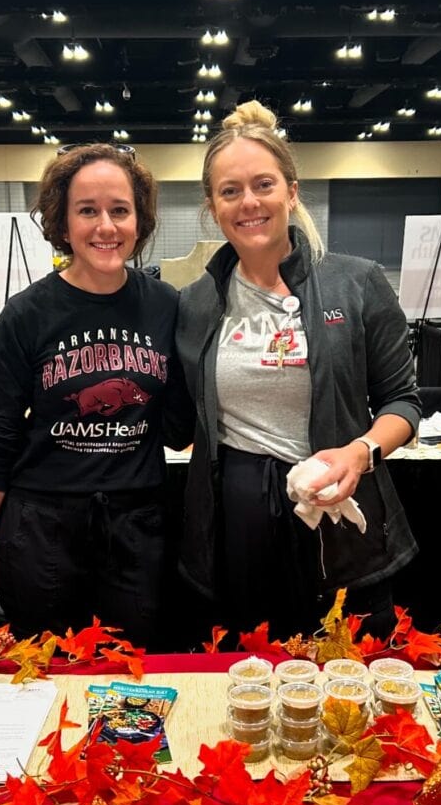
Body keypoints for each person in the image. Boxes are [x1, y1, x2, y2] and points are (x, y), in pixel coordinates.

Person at [175, 101, 421, 640]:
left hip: (340, 503)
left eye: (263, 184)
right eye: (230, 190)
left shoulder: (356, 283)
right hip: (235, 517)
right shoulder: (194, 303)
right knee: (250, 667)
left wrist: (360, 453)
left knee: (348, 664)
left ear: (291, 190)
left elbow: (403, 402)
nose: (249, 202)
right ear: (213, 206)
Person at [0, 143, 189, 646]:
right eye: (87, 211)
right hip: (41, 537)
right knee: (46, 678)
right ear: (62, 220)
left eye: (120, 210)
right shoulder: (27, 314)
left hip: (136, 533)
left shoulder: (166, 306)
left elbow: (182, 427)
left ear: (139, 220)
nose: (106, 227)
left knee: (134, 680)